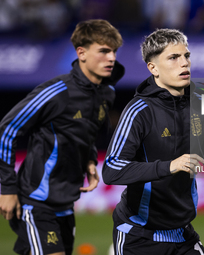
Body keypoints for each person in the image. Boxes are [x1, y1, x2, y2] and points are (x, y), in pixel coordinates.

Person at [102, 28, 204, 255]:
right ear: (153, 68)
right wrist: (170, 166)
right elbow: (111, 169)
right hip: (138, 238)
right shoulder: (139, 111)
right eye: (173, 57)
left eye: (186, 56)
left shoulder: (201, 106)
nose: (184, 63)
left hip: (183, 236)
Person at [0, 19, 124, 255]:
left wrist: (89, 161)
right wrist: (7, 188)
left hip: (66, 203)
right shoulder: (55, 92)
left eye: (114, 52)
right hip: (35, 202)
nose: (111, 58)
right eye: (104, 51)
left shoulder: (107, 94)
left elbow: (84, 133)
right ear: (82, 53)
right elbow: (6, 130)